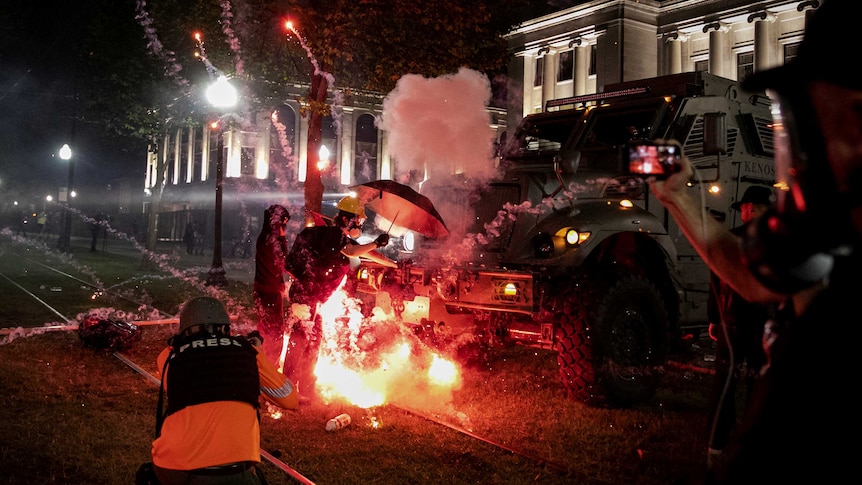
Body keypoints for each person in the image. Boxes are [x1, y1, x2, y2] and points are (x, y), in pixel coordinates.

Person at [649, 2, 861, 482]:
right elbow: (751, 275)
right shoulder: (824, 218)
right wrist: (681, 197)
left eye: (806, 113)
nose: (794, 139)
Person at [150, 296, 298, 485]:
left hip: (174, 467)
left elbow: (190, 380)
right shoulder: (248, 352)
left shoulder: (168, 356)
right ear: (226, 327)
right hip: (236, 471)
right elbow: (289, 400)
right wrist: (257, 354)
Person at [283, 195, 397, 399]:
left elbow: (360, 252)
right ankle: (287, 387)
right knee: (301, 338)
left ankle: (306, 386)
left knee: (314, 340)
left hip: (312, 297)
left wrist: (394, 264)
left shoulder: (335, 237)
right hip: (307, 296)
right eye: (358, 220)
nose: (360, 224)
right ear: (346, 219)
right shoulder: (334, 236)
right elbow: (353, 251)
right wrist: (376, 243)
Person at [704, 185, 772, 469]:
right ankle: (751, 440)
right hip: (760, 323)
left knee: (724, 384)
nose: (744, 211)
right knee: (758, 384)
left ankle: (717, 443)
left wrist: (714, 318)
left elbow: (716, 281)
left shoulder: (731, 238)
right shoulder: (776, 243)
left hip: (732, 323)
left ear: (753, 209)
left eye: (745, 207)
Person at [253, 204, 291, 366]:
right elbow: (285, 263)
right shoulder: (273, 240)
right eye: (284, 223)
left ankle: (261, 364)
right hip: (269, 291)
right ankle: (269, 367)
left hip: (264, 290)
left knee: (265, 329)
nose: (285, 227)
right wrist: (282, 238)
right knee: (274, 332)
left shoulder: (265, 237)